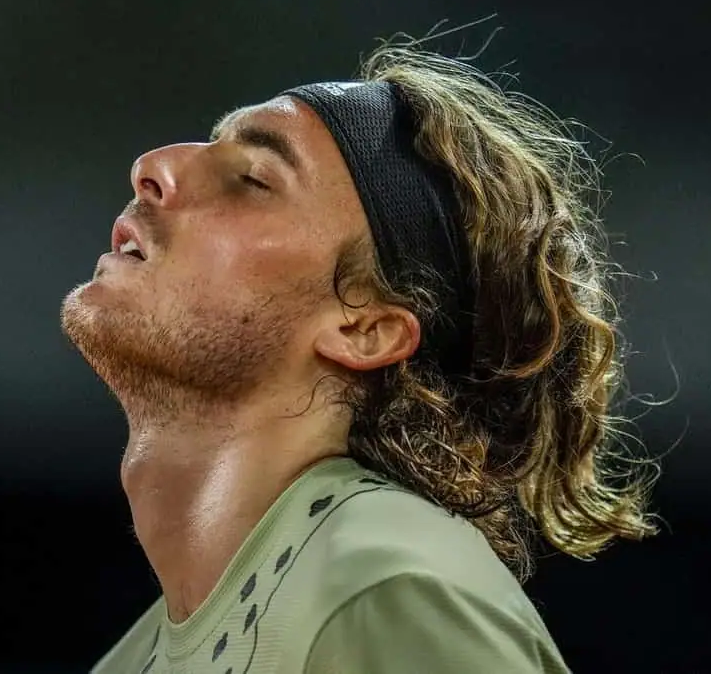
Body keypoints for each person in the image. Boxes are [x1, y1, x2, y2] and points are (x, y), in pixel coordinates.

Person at [61, 39, 657, 673]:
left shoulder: (392, 589)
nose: (154, 165)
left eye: (255, 179)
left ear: (366, 330)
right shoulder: (134, 660)